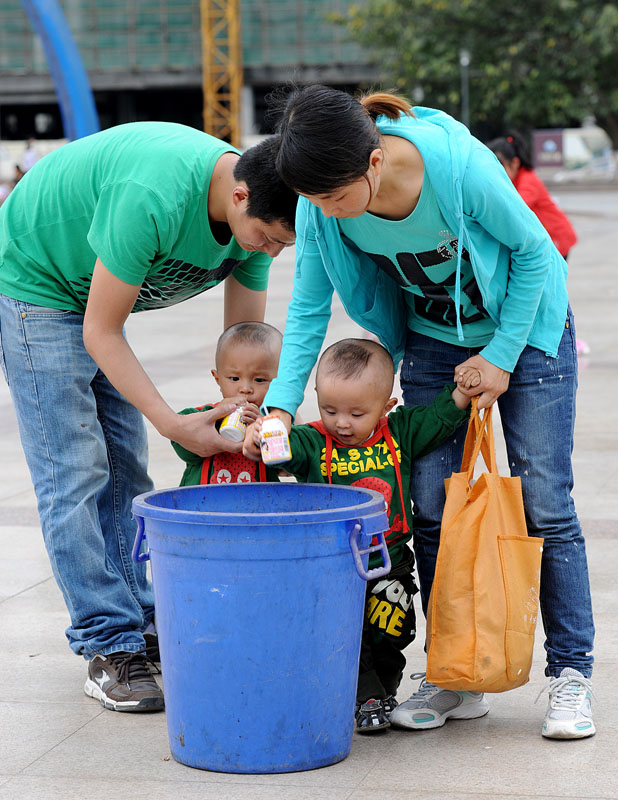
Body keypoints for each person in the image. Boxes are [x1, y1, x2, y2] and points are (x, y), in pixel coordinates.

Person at [262, 85, 595, 740]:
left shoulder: (454, 166)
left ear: (374, 163)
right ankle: (455, 674)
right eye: (315, 201)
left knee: (545, 502)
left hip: (528, 329)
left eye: (334, 197)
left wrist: (500, 358)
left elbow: (533, 254)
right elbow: (306, 308)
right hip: (436, 341)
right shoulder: (320, 208)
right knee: (433, 506)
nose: (325, 212)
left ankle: (571, 674)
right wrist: (278, 406)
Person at [0, 123, 297, 712]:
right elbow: (100, 330)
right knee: (76, 474)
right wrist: (175, 423)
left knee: (126, 469)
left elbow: (243, 347)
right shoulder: (155, 195)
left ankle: (139, 615)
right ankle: (107, 643)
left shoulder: (253, 225)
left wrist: (253, 416)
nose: (269, 252)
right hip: (38, 283)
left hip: (92, 297)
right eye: (266, 238)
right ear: (240, 197)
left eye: (281, 245)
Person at [245, 338, 478, 732]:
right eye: (330, 409)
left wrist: (461, 393)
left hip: (391, 561)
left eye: (357, 413)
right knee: (349, 636)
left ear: (387, 405)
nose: (342, 423)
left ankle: (381, 692)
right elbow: (284, 449)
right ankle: (364, 697)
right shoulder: (315, 439)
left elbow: (438, 419)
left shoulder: (399, 432)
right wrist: (266, 439)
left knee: (390, 634)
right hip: (336, 566)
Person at [487, 132, 590, 356]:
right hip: (550, 240)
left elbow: (511, 212)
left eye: (501, 165)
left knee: (552, 293)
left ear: (515, 163)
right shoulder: (514, 179)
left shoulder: (527, 181)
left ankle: (564, 336)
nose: (497, 172)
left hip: (557, 240)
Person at [172, 321, 284, 485]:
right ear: (217, 379)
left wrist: (264, 428)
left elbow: (286, 466)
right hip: (204, 507)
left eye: (259, 380)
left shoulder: (277, 422)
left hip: (259, 505)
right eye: (234, 378)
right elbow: (183, 447)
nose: (245, 389)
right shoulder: (201, 416)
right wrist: (215, 422)